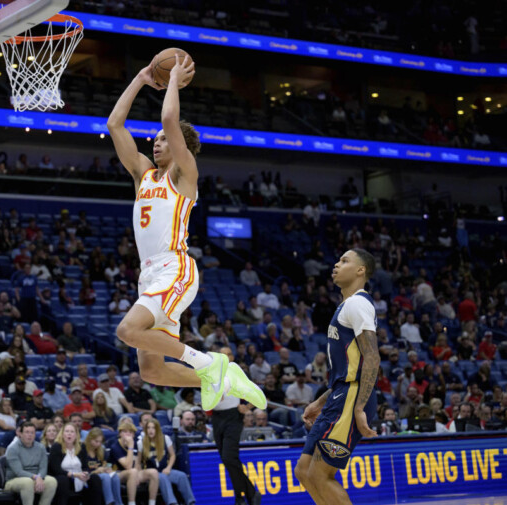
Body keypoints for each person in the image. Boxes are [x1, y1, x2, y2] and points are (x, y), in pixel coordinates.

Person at [108, 52, 264, 411]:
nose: (155, 142)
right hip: (148, 275)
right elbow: (116, 125)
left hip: (174, 268)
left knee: (127, 331)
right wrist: (142, 79)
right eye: (155, 139)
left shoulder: (185, 174)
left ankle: (211, 364)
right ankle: (226, 375)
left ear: (181, 146)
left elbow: (168, 117)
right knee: (152, 371)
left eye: (164, 139)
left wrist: (174, 78)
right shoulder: (144, 175)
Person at [295, 249, 380, 505]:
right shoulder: (346, 305)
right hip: (340, 394)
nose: (336, 264)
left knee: (321, 476)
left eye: (344, 261)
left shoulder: (358, 303)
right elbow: (347, 371)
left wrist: (360, 407)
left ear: (360, 270)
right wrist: (319, 403)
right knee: (304, 471)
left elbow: (372, 358)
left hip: (351, 398)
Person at [211, 347, 260, 505]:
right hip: (217, 418)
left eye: (228, 354)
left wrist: (247, 407)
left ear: (232, 357)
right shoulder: (210, 372)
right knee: (229, 460)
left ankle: (240, 497)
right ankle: (250, 492)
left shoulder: (237, 372)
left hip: (233, 416)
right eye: (222, 354)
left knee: (228, 457)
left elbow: (257, 391)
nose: (225, 356)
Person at [139, 418, 196, 505]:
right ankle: (172, 503)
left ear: (157, 429)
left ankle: (190, 501)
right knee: (163, 477)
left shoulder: (165, 438)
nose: (151, 430)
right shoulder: (141, 442)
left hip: (165, 470)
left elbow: (172, 455)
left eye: (153, 428)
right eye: (148, 428)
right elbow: (138, 462)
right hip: (151, 474)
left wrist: (169, 467)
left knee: (182, 476)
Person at [47, 422, 103, 505]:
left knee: (95, 478)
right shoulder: (56, 446)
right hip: (63, 478)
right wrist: (75, 475)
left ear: (76, 435)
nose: (69, 434)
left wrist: (85, 474)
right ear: (62, 434)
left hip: (79, 478)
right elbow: (56, 470)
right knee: (63, 480)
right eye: (67, 431)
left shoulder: (81, 447)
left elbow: (85, 466)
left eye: (72, 432)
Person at [4, 421, 57, 505]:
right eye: (27, 432)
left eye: (32, 432)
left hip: (36, 478)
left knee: (51, 481)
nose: (30, 435)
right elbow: (19, 471)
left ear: (35, 434)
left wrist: (39, 478)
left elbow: (43, 468)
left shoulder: (40, 447)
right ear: (20, 434)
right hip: (14, 480)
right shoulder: (12, 448)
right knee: (27, 482)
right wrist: (36, 477)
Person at [109, 421, 158, 505]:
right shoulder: (115, 446)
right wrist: (130, 447)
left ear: (134, 435)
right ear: (120, 434)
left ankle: (152, 503)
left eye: (130, 432)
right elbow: (128, 466)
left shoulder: (137, 444)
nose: (128, 434)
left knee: (153, 472)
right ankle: (131, 503)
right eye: (125, 432)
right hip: (117, 474)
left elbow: (138, 463)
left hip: (133, 472)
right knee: (132, 471)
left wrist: (138, 474)